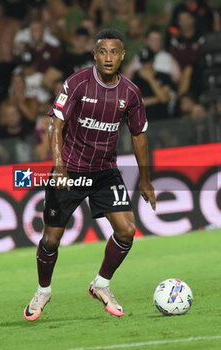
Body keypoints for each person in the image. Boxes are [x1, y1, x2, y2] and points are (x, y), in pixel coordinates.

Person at [23, 29, 156, 322]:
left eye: (114, 52)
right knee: (51, 239)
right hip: (69, 170)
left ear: (122, 56)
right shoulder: (78, 83)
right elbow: (54, 124)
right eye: (102, 52)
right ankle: (43, 291)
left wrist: (145, 179)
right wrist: (58, 167)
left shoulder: (131, 92)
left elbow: (139, 135)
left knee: (126, 230)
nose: (108, 58)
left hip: (105, 172)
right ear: (94, 54)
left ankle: (101, 284)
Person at [132, 46, 172, 121]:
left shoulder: (164, 76)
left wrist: (150, 79)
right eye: (143, 63)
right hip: (142, 120)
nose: (145, 66)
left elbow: (164, 99)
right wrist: (158, 98)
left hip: (162, 118)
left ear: (153, 61)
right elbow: (135, 103)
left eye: (148, 62)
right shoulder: (136, 78)